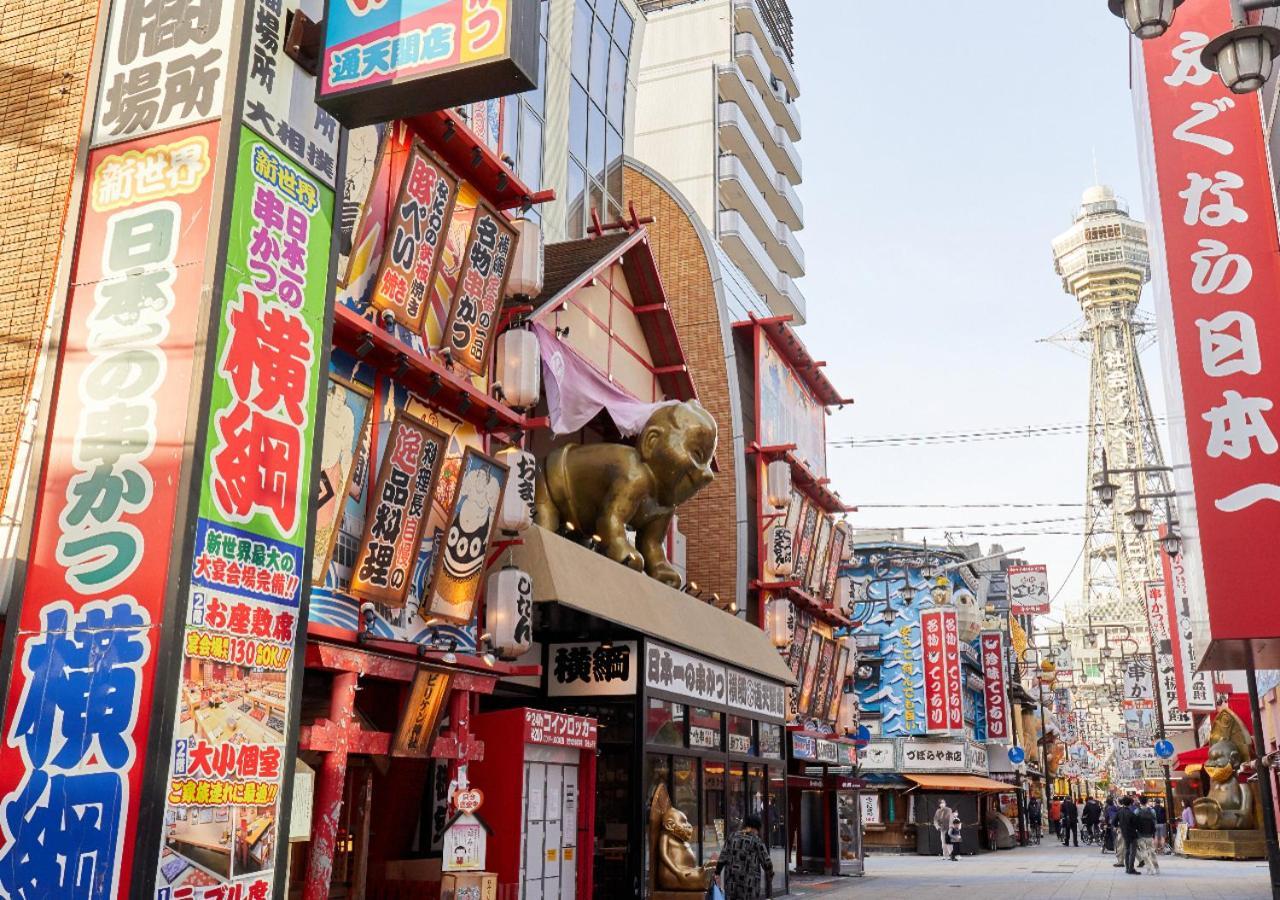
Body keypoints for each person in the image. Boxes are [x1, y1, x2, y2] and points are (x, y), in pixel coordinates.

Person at [715, 814, 774, 899]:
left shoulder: (732, 837)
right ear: (756, 827)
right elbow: (767, 862)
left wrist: (717, 872)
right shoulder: (756, 841)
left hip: (731, 882)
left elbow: (723, 856)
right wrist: (770, 874)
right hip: (749, 884)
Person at [1134, 796, 1160, 874]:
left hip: (1140, 834)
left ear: (1140, 802)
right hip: (1150, 834)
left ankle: (1149, 869)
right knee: (1152, 851)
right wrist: (1153, 832)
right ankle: (1157, 868)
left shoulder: (1137, 811)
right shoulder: (1152, 811)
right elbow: (1155, 822)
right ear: (1147, 802)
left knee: (1143, 852)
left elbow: (1134, 823)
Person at [1115, 796, 1139, 873]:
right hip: (1132, 834)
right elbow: (1136, 824)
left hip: (1124, 833)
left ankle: (1127, 868)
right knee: (1133, 851)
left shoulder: (1119, 812)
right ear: (1130, 804)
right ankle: (1131, 868)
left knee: (1127, 850)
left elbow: (1113, 822)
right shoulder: (1131, 813)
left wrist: (1119, 827)